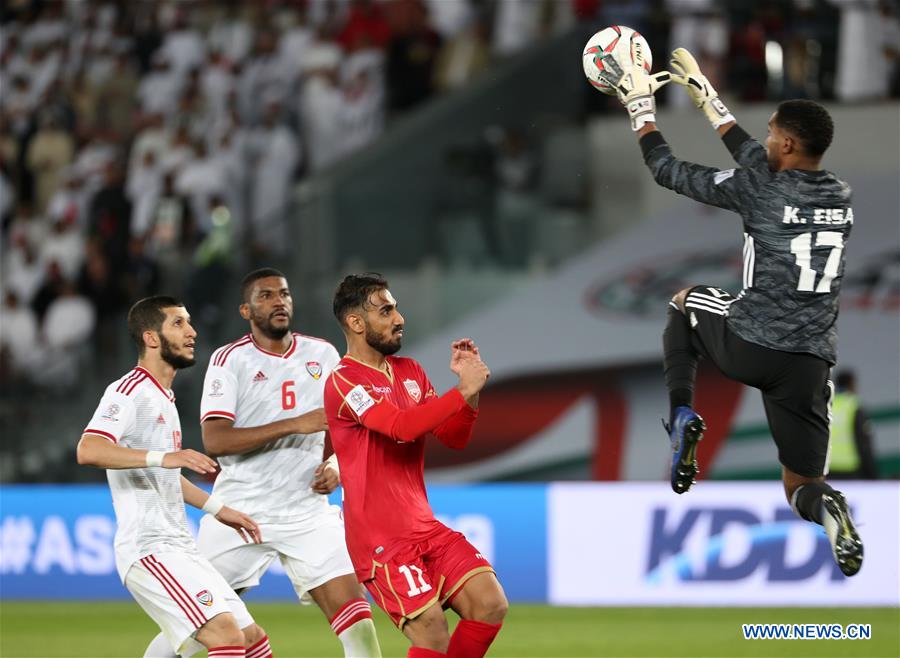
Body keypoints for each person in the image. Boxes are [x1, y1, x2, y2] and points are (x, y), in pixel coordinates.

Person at [594, 48, 863, 576]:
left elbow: (667, 170)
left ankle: (681, 418)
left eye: (770, 133)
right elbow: (760, 161)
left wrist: (641, 112)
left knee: (683, 301)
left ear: (786, 143)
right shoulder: (841, 193)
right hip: (809, 363)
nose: (763, 140)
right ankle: (830, 511)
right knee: (800, 486)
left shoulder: (757, 188)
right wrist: (708, 97)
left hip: (750, 341)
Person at [145, 269, 381, 658]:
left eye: (284, 294)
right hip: (241, 512)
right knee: (193, 628)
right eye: (265, 295)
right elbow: (216, 440)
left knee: (359, 625)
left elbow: (347, 425)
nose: (278, 301)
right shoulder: (229, 360)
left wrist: (337, 464)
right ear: (245, 309)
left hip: (307, 512)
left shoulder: (322, 354)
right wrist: (296, 424)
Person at [77, 296, 274, 658]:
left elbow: (165, 474)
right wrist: (164, 457)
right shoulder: (128, 392)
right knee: (227, 636)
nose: (192, 332)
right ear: (152, 338)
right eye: (179, 324)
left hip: (180, 545)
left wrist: (217, 508)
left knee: (252, 638)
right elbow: (89, 450)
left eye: (190, 322)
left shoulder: (164, 397)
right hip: (149, 548)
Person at [324, 273, 508, 658]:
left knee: (490, 604)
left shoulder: (409, 371)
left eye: (396, 308)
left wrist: (470, 396)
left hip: (423, 526)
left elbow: (454, 437)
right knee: (432, 633)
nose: (399, 318)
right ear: (357, 323)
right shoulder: (343, 382)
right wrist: (461, 391)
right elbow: (400, 428)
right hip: (380, 540)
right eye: (386, 310)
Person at [829, 370, 879, 479]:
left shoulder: (829, 405)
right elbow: (864, 442)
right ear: (851, 384)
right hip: (851, 469)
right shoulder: (854, 406)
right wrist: (872, 474)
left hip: (829, 468)